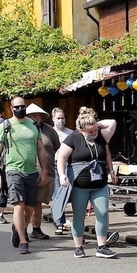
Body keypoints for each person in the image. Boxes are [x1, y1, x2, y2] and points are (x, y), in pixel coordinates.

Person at [0, 96, 50, 255]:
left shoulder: (33, 125)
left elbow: (41, 149)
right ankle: (23, 241)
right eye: (16, 107)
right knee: (19, 204)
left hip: (31, 171)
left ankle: (19, 228)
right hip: (13, 169)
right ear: (11, 108)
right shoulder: (6, 126)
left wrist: (44, 171)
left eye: (22, 106)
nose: (20, 109)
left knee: (30, 208)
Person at [55, 107, 118, 259]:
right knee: (79, 215)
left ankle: (101, 246)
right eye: (90, 132)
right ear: (81, 130)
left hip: (99, 183)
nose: (93, 134)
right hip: (79, 185)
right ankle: (78, 247)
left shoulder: (101, 136)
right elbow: (62, 157)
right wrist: (62, 175)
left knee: (102, 212)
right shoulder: (73, 138)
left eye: (95, 130)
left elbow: (112, 123)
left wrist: (111, 171)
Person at [26, 103, 59, 240]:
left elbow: (56, 147)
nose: (35, 117)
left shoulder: (49, 130)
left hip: (47, 171)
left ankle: (36, 229)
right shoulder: (23, 129)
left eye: (37, 115)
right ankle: (20, 229)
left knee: (38, 202)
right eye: (32, 115)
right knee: (27, 203)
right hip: (28, 170)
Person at [51, 107, 74, 234]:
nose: (61, 120)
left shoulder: (70, 133)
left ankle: (61, 220)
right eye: (58, 118)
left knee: (67, 194)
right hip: (54, 166)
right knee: (57, 195)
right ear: (53, 119)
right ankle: (59, 222)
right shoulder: (50, 132)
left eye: (62, 118)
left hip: (68, 166)